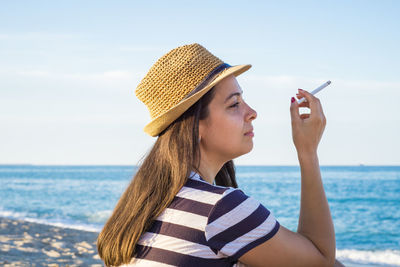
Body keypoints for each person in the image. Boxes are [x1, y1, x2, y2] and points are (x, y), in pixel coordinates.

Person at [97, 43, 342, 266]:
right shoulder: (221, 209)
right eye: (234, 104)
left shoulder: (145, 206)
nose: (252, 112)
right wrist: (307, 152)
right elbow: (321, 260)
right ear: (195, 125)